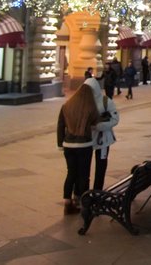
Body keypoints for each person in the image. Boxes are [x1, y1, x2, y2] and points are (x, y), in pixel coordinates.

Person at [56, 84, 100, 215]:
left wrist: (60, 143)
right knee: (84, 174)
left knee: (71, 173)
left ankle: (67, 202)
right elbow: (96, 122)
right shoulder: (90, 107)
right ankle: (82, 201)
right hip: (84, 145)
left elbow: (60, 125)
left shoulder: (66, 106)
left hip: (68, 145)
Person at [84, 77, 119, 191]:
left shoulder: (106, 101)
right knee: (84, 166)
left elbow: (115, 119)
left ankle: (98, 190)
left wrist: (100, 126)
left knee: (101, 165)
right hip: (87, 139)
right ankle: (84, 190)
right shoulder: (83, 101)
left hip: (103, 139)